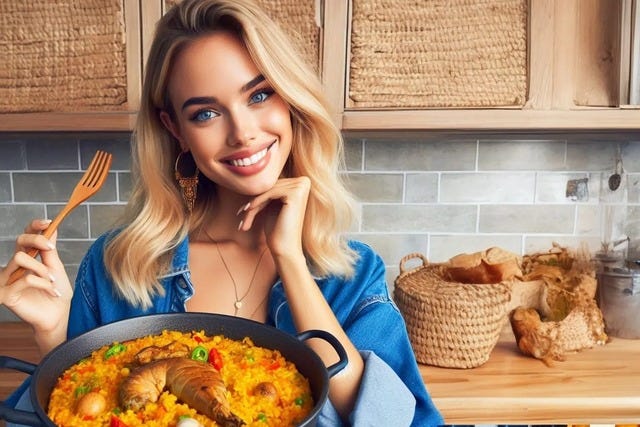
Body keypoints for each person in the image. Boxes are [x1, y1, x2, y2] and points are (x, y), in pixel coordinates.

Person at [0, 0, 443, 425]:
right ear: (176, 129)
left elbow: (397, 420)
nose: (243, 133)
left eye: (259, 94)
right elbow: (78, 402)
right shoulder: (117, 264)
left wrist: (289, 258)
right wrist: (53, 333)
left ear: (290, 99)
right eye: (206, 113)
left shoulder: (355, 275)